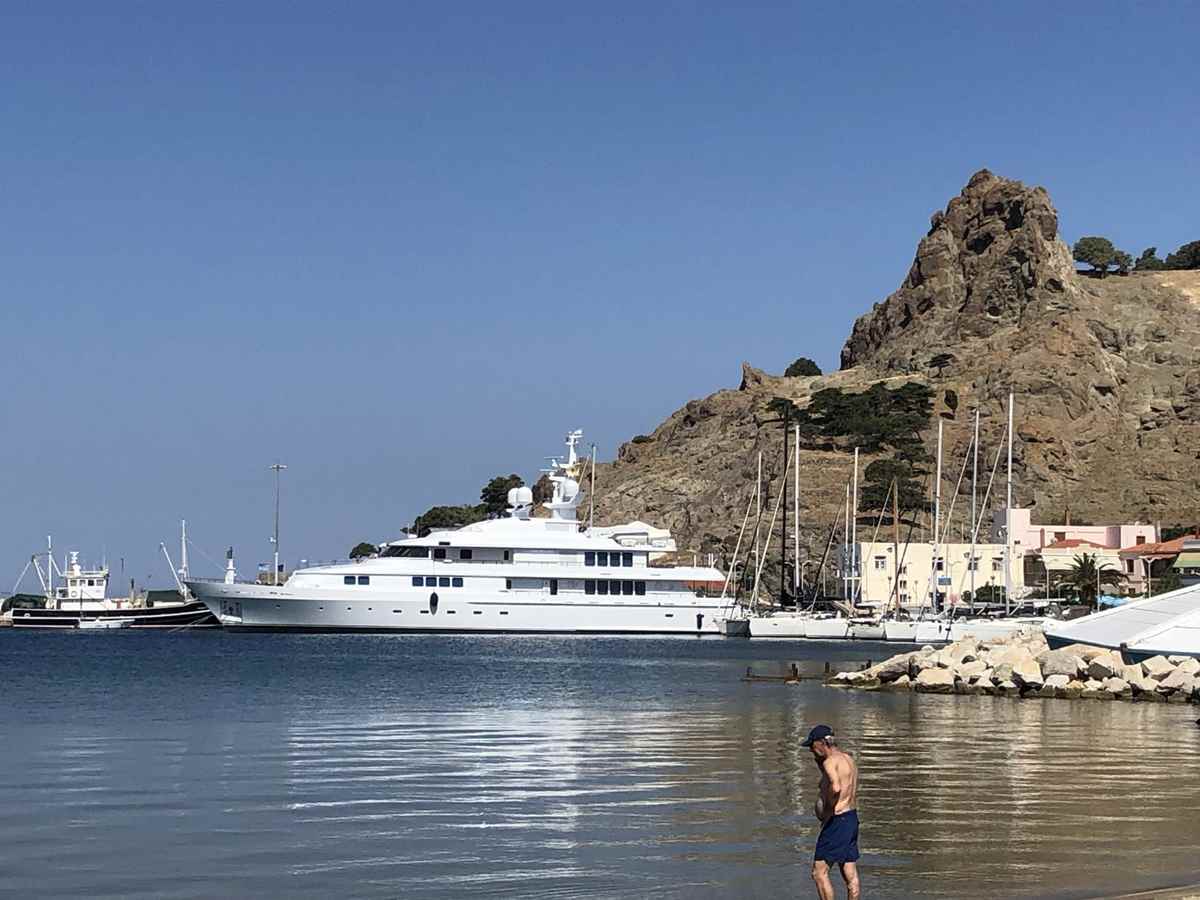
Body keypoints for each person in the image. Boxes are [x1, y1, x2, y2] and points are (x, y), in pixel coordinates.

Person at [802, 724, 860, 900]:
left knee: (819, 873)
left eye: (812, 746)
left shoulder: (830, 762)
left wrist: (827, 812)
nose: (811, 751)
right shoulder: (848, 759)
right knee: (850, 875)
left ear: (822, 743)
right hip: (851, 819)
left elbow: (835, 788)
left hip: (837, 821)